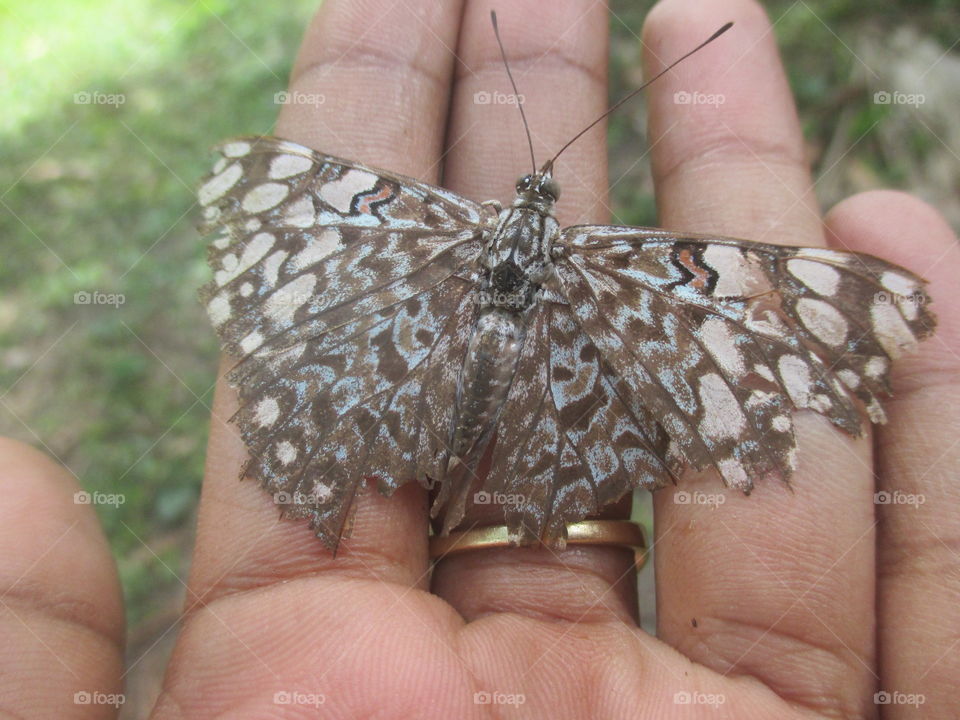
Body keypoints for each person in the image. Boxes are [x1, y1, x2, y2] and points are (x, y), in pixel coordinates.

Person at [3, 0, 958, 716]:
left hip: (441, 349)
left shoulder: (418, 223)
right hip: (560, 387)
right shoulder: (625, 268)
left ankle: (362, 454)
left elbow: (279, 204)